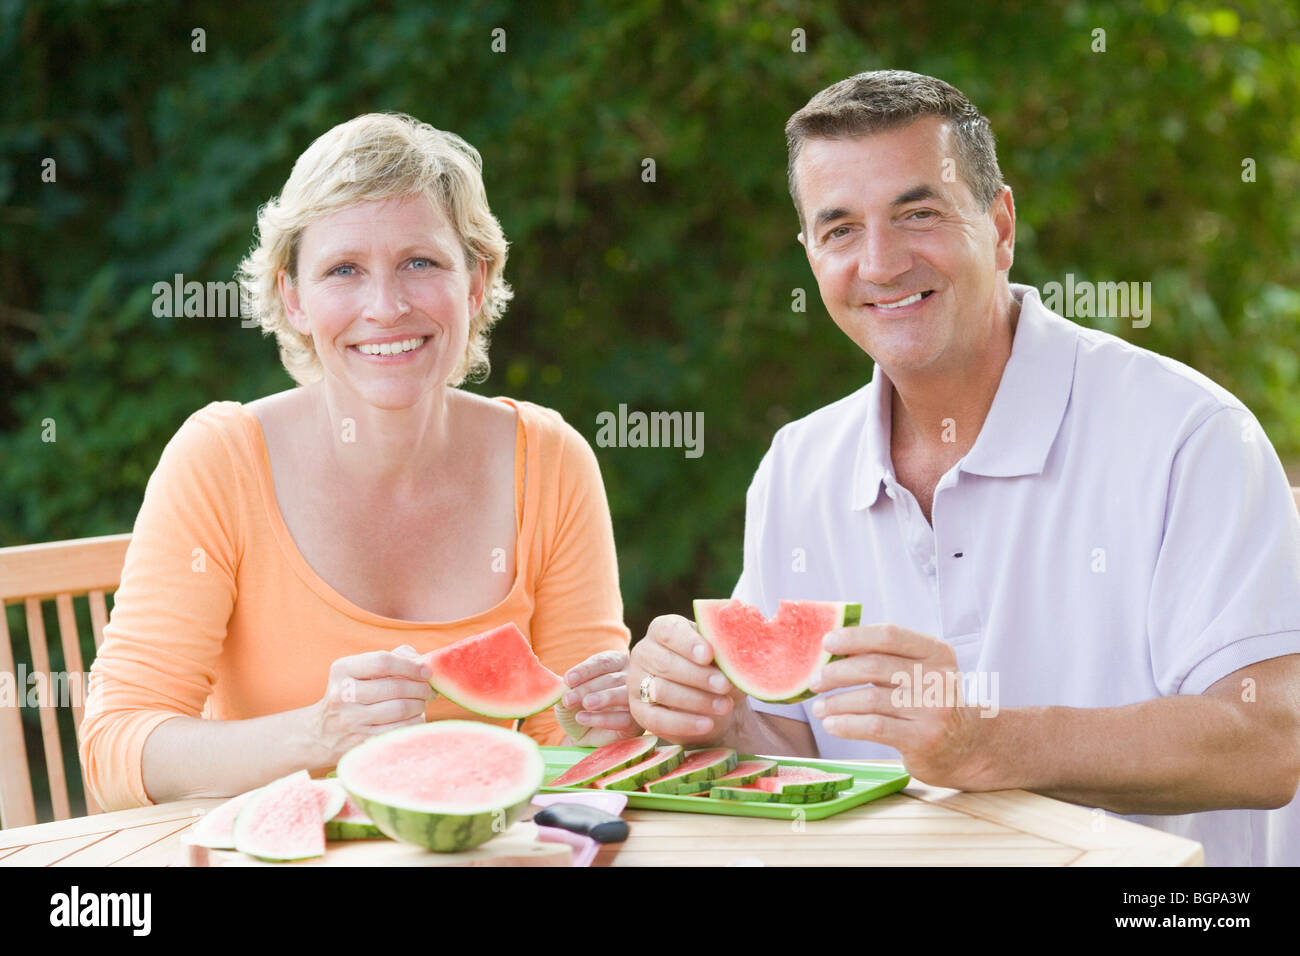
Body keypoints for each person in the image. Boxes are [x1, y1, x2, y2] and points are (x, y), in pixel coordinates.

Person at [627, 71, 1300, 866]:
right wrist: (715, 717)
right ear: (810, 254)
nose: (880, 263)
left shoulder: (1190, 436)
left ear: (1001, 224)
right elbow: (790, 734)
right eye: (840, 229)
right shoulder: (797, 466)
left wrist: (988, 744)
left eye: (918, 213)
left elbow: (1268, 740)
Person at [80, 113, 639, 811]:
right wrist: (317, 735)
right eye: (344, 269)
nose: (387, 306)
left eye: (420, 262)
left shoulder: (551, 463)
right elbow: (116, 747)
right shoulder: (219, 461)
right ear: (293, 297)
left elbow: (574, 745)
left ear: (474, 282)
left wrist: (617, 716)